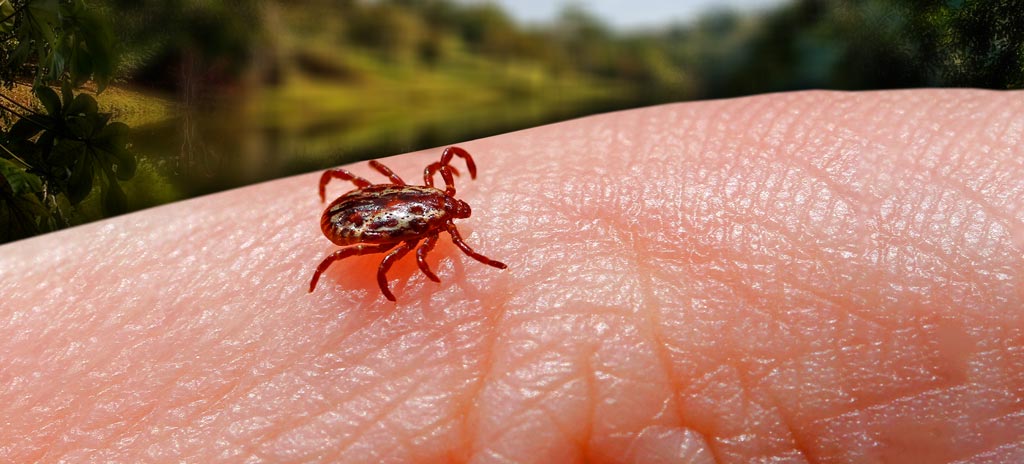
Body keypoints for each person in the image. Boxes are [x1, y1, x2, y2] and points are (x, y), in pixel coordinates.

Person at [1, 89, 1021, 462]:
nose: (447, 215)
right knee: (362, 253)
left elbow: (354, 210)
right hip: (359, 223)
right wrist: (375, 264)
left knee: (364, 235)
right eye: (445, 209)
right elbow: (367, 243)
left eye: (442, 214)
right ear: (436, 201)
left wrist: (386, 242)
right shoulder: (413, 227)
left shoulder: (409, 202)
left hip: (362, 212)